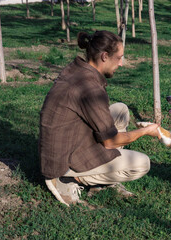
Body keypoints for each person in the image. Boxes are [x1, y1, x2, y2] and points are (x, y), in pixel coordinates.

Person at [39, 30, 161, 206]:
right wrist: (145, 131)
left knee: (120, 110)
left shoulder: (78, 70)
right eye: (119, 58)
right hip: (62, 161)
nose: (121, 63)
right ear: (104, 56)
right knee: (141, 164)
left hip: (67, 140)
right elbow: (111, 142)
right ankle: (68, 180)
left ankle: (101, 173)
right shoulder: (89, 88)